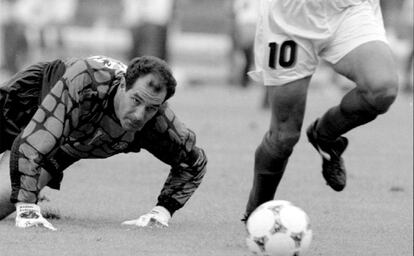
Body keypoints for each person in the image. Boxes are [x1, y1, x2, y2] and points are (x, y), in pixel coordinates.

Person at [0, 55, 207, 230]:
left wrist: (162, 211)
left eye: (151, 108)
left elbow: (193, 163)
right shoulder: (86, 83)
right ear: (124, 84)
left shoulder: (159, 122)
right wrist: (27, 208)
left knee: (3, 200)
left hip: (66, 143)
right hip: (36, 96)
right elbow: (33, 142)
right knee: (24, 181)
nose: (139, 115)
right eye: (136, 100)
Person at [243, 0, 398, 220]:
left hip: (349, 8)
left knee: (382, 89)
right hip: (292, 16)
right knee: (284, 136)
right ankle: (257, 215)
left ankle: (324, 135)